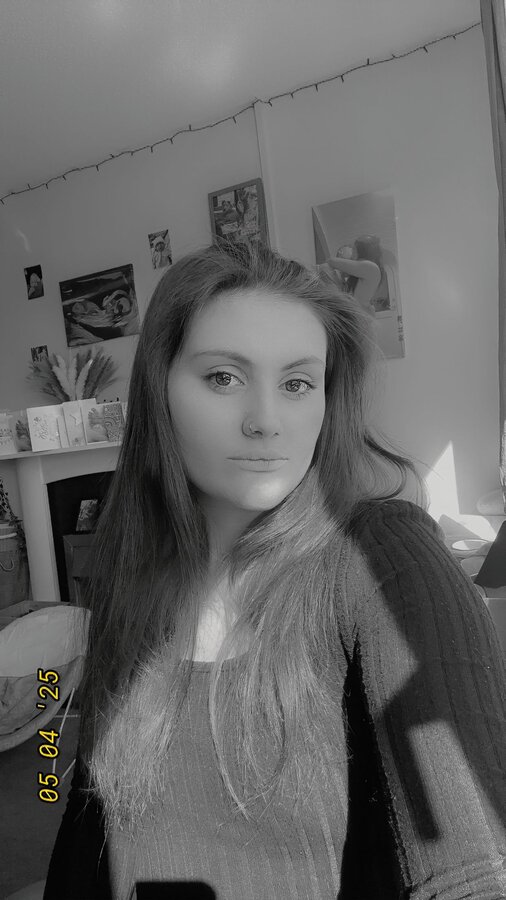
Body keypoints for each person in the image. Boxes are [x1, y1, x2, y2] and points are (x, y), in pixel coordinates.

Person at [43, 241, 506, 900]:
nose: (266, 422)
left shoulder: (381, 556)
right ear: (159, 391)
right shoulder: (131, 579)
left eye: (297, 384)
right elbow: (87, 822)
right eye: (223, 378)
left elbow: (476, 864)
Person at [322, 235, 386, 313]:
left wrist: (344, 258)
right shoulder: (368, 268)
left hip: (361, 312)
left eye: (354, 249)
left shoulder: (371, 267)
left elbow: (331, 261)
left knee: (324, 267)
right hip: (359, 312)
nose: (352, 253)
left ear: (362, 251)